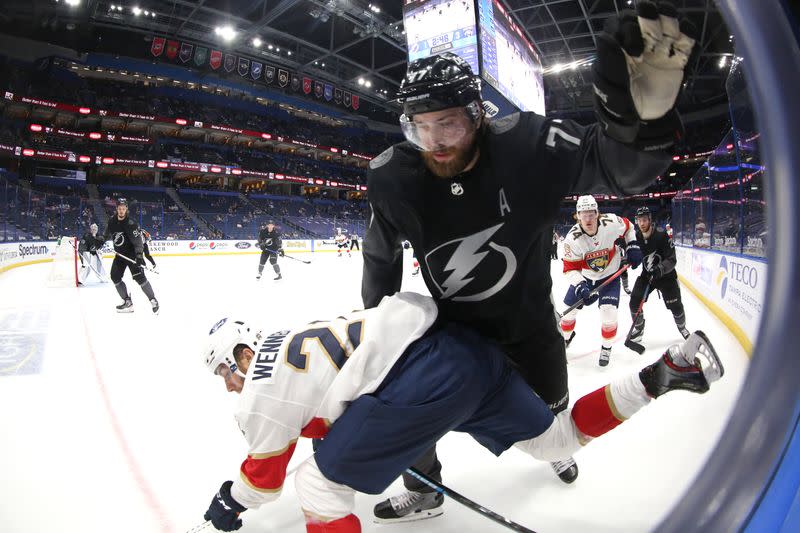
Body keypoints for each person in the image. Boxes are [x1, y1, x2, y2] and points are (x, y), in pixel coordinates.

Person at [362, 3, 695, 517]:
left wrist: (643, 128)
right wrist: (382, 338)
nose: (434, 142)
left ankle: (554, 451)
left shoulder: (527, 145)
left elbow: (618, 171)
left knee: (555, 425)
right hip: (455, 338)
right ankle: (425, 488)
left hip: (530, 328)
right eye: (420, 127)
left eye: (447, 123)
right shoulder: (392, 177)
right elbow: (379, 260)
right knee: (399, 398)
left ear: (477, 113)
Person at [200, 292, 724, 533]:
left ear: (237, 359)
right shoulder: (285, 337)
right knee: (556, 441)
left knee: (317, 486)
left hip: (421, 379)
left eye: (225, 374)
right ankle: (664, 373)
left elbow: (265, 481)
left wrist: (230, 501)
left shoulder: (256, 392)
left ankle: (424, 490)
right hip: (459, 347)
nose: (229, 388)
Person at [559, 196, 642, 366]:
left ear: (597, 213)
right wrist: (580, 286)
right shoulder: (572, 239)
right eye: (583, 215)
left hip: (610, 276)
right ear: (577, 216)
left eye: (591, 214)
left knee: (608, 314)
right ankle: (565, 340)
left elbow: (629, 227)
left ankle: (606, 347)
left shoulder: (611, 222)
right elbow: (569, 268)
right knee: (568, 314)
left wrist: (632, 245)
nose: (588, 219)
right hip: (587, 278)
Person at [628, 206, 690, 346]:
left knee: (676, 306)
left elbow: (672, 259)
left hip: (666, 277)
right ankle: (639, 329)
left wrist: (659, 269)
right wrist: (628, 259)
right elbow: (633, 254)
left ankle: (682, 328)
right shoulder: (636, 236)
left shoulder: (662, 235)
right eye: (639, 220)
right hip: (646, 276)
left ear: (650, 220)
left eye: (644, 220)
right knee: (634, 303)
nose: (642, 223)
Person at [103, 198, 159, 314]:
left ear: (126, 209)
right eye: (119, 209)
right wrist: (98, 242)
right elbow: (105, 235)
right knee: (115, 276)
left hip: (132, 255)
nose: (121, 211)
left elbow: (138, 242)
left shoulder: (131, 224)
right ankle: (127, 302)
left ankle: (153, 300)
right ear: (116, 209)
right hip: (119, 256)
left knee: (140, 278)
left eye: (123, 209)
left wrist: (139, 256)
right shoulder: (112, 221)